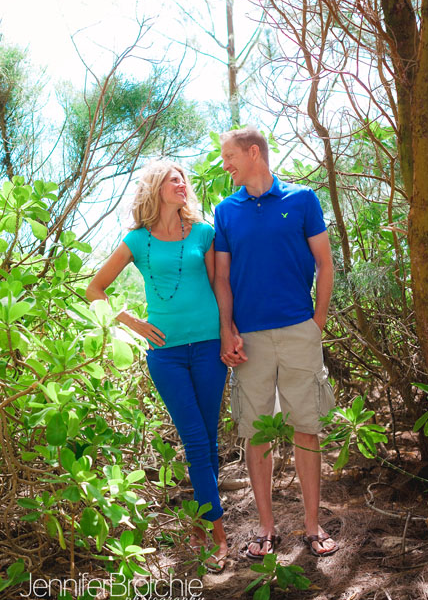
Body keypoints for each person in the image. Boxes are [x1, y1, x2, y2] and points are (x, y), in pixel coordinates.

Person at [86, 160, 229, 571]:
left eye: (184, 179)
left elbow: (219, 286)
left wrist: (228, 332)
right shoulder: (137, 240)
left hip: (208, 346)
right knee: (196, 440)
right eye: (173, 179)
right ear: (155, 188)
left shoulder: (203, 232)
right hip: (166, 354)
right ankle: (219, 535)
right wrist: (132, 321)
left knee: (207, 440)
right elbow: (94, 289)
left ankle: (200, 525)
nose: (182, 184)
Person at [213, 126, 337, 559]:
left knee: (307, 428)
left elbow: (325, 263)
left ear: (253, 153)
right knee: (257, 433)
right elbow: (222, 277)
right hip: (250, 339)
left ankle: (312, 526)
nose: (225, 165)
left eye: (229, 157)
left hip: (299, 331)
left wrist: (317, 323)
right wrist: (228, 329)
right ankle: (266, 528)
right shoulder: (225, 211)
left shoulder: (302, 200)